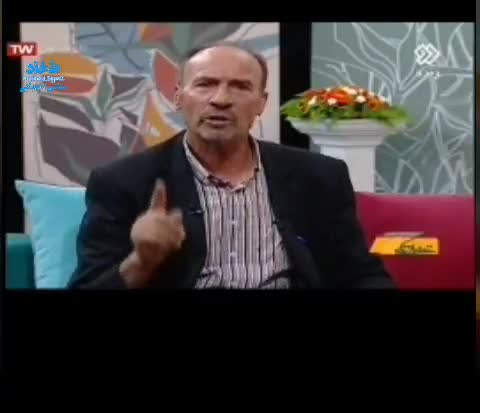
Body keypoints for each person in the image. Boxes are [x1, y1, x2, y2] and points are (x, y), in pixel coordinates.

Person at [68, 41, 395, 289]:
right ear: (179, 97)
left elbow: (360, 273)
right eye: (205, 84)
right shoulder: (123, 181)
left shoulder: (319, 176)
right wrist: (142, 260)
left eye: (240, 87)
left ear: (261, 103)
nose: (221, 99)